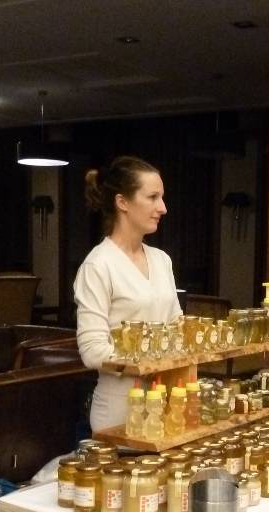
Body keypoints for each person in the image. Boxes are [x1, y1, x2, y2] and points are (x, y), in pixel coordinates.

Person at [74, 155, 181, 431]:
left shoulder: (162, 260)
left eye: (162, 197)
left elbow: (177, 328)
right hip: (119, 413)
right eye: (153, 197)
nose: (163, 208)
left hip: (166, 405)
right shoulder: (98, 265)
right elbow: (92, 351)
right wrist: (147, 361)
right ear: (122, 202)